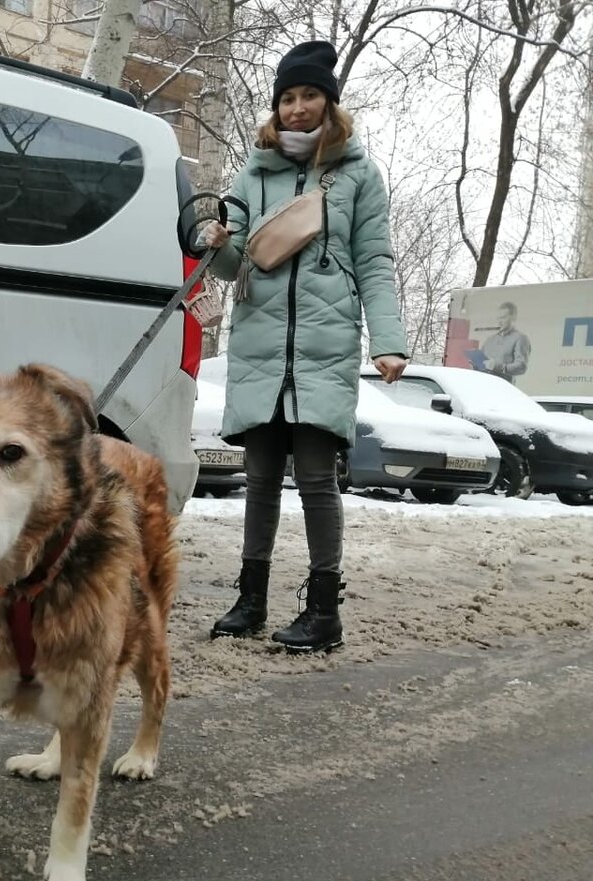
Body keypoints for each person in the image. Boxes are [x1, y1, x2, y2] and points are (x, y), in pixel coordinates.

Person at [199, 40, 408, 653]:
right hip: (260, 341)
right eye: (287, 97)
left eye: (309, 94)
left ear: (329, 102)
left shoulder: (358, 174)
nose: (296, 107)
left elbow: (375, 261)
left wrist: (388, 342)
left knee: (317, 477)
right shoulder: (253, 173)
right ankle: (251, 599)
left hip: (326, 343)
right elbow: (234, 263)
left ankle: (323, 612)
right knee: (259, 478)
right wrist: (214, 240)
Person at [479, 301, 531, 383]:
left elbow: (521, 367)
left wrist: (498, 367)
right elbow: (481, 361)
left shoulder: (520, 338)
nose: (499, 321)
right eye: (498, 318)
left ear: (513, 317)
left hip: (504, 388)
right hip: (484, 385)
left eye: (503, 317)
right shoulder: (489, 340)